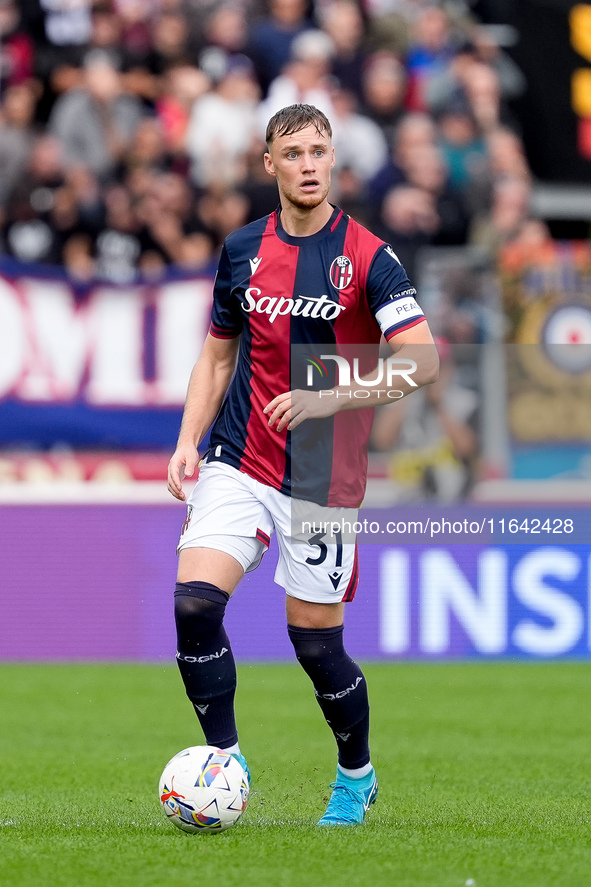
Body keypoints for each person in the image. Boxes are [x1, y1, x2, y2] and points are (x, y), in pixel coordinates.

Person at [167, 103, 439, 826]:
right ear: (270, 165)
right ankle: (224, 758)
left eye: (320, 150)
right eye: (294, 153)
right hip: (237, 454)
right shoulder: (241, 250)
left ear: (334, 159)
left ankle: (356, 772)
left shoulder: (369, 257)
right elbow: (218, 353)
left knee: (315, 645)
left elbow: (421, 360)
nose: (309, 163)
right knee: (194, 604)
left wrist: (328, 399)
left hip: (322, 475)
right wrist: (188, 436)